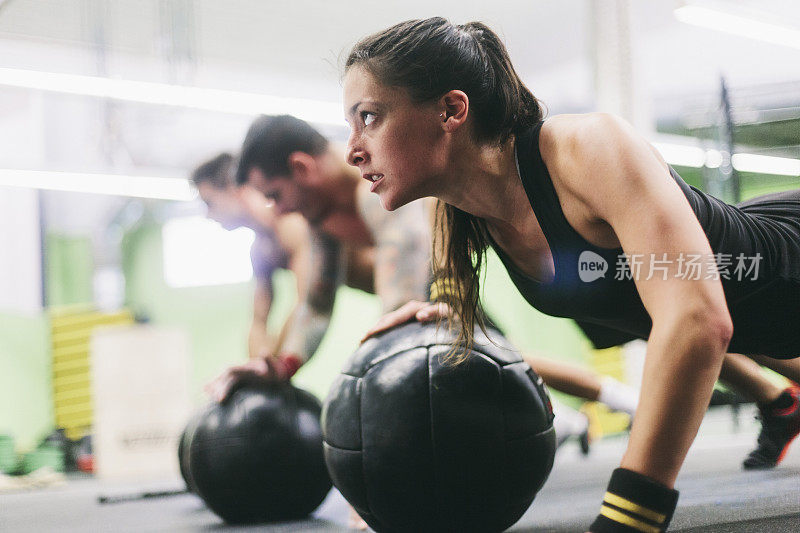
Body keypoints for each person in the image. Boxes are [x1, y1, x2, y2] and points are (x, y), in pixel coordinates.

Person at [342, 18, 800, 532]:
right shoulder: (455, 213)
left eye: (369, 118)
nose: (353, 149)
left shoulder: (587, 149)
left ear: (451, 109)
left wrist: (631, 515)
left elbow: (698, 320)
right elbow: (450, 326)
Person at [191, 152, 311, 361]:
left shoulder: (290, 223)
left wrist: (274, 363)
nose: (208, 215)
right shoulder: (260, 250)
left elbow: (307, 303)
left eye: (209, 202)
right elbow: (258, 320)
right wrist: (257, 366)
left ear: (235, 190)